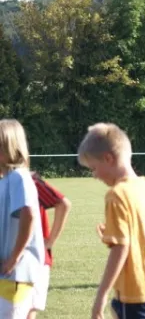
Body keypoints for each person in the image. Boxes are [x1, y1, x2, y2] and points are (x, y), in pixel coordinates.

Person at [76, 122, 145, 319]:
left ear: (108, 159)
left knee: (119, 307)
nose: (94, 176)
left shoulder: (117, 195)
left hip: (137, 288)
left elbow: (120, 249)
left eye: (94, 168)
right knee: (118, 307)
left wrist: (101, 296)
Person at [0, 119, 45, 318]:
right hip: (8, 273)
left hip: (17, 273)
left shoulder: (19, 176)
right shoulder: (8, 179)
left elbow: (29, 213)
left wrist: (14, 258)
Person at [28, 172, 72, 319]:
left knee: (27, 311)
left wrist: (49, 241)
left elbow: (63, 203)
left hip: (31, 259)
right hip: (14, 259)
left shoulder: (28, 181)